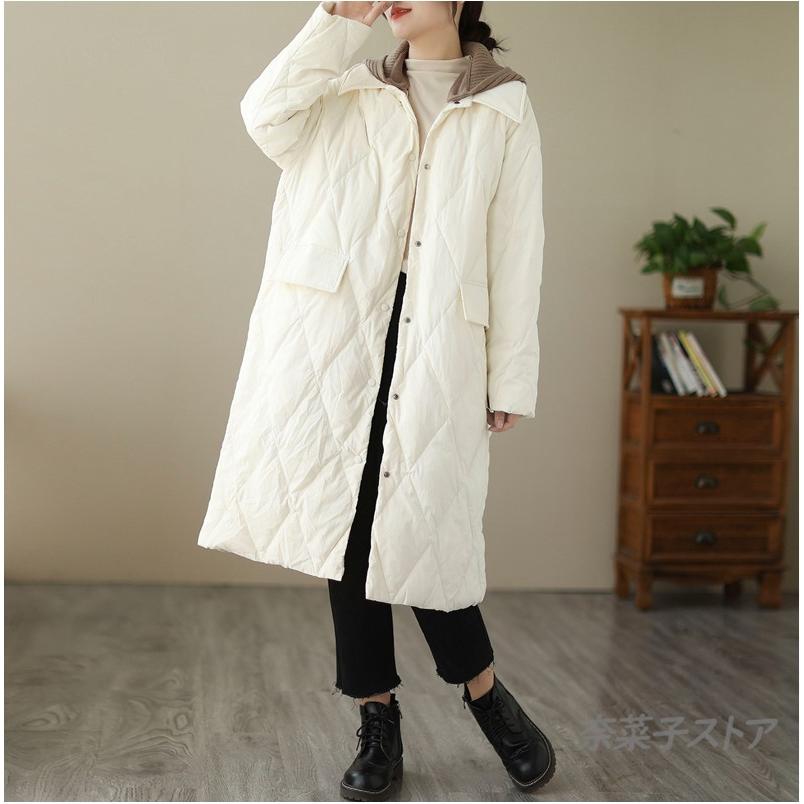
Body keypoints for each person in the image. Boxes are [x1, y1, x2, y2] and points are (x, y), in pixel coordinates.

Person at [198, 0, 552, 798]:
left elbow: (517, 247)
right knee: (349, 528)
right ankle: (377, 719)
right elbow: (265, 114)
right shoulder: (348, 88)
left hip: (439, 343)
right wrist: (334, 18)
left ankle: (486, 694)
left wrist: (510, 375)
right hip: (341, 339)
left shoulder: (504, 106)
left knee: (425, 527)